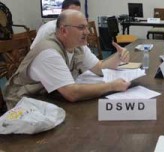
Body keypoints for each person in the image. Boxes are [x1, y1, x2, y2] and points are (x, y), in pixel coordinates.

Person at [3, 10, 131, 109]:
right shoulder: (49, 52)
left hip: (49, 98)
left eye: (86, 27)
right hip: (24, 106)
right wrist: (111, 86)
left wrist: (118, 57)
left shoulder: (77, 45)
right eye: (81, 27)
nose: (87, 32)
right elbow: (72, 93)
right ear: (64, 30)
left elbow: (99, 68)